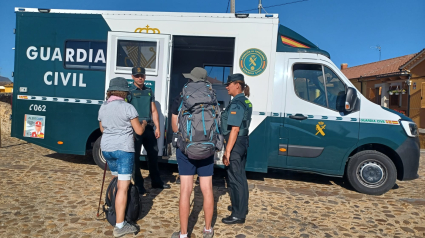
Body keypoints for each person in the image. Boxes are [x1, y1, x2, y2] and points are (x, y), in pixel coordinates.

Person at [98, 77, 147, 237]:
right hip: (123, 150)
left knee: (115, 180)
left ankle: (113, 210)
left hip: (107, 148)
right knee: (123, 187)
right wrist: (144, 124)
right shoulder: (128, 108)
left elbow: (103, 129)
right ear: (125, 92)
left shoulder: (103, 108)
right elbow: (138, 131)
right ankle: (120, 225)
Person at [171, 67, 215, 238]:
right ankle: (208, 229)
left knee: (186, 190)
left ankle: (183, 233)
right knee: (207, 189)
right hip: (207, 147)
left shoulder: (182, 96)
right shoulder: (212, 96)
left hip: (186, 148)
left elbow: (175, 126)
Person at [128, 66, 170, 194]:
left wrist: (157, 127)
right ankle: (139, 185)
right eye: (137, 76)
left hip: (148, 126)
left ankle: (156, 182)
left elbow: (153, 110)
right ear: (132, 77)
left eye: (142, 75)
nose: (140, 78)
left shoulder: (149, 91)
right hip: (134, 127)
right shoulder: (129, 91)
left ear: (145, 76)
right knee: (134, 157)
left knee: (153, 155)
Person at [221, 73, 252, 225]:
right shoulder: (245, 101)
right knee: (240, 177)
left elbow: (234, 129)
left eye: (229, 84)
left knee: (234, 179)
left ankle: (238, 215)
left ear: (237, 85)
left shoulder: (237, 103)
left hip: (235, 142)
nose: (227, 87)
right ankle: (241, 207)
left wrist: (227, 151)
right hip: (242, 141)